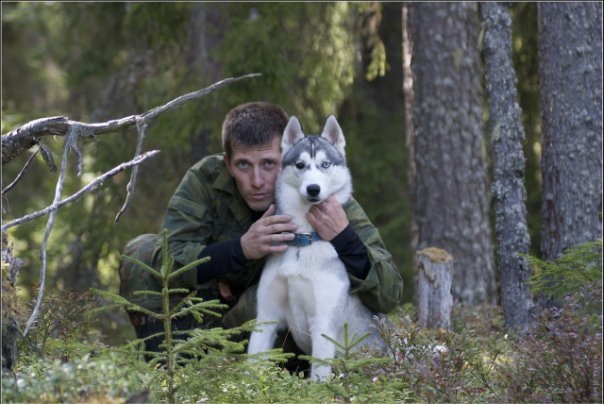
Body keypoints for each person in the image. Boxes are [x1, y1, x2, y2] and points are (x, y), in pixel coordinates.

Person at [119, 101, 403, 361]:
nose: (257, 181)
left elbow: (389, 293)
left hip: (282, 327)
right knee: (141, 251)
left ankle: (287, 377)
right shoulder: (206, 179)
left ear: (288, 156)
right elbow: (167, 260)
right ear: (227, 163)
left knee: (285, 292)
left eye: (269, 164)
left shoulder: (324, 197)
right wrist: (239, 250)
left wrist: (344, 239)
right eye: (243, 165)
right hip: (210, 308)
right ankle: (168, 374)